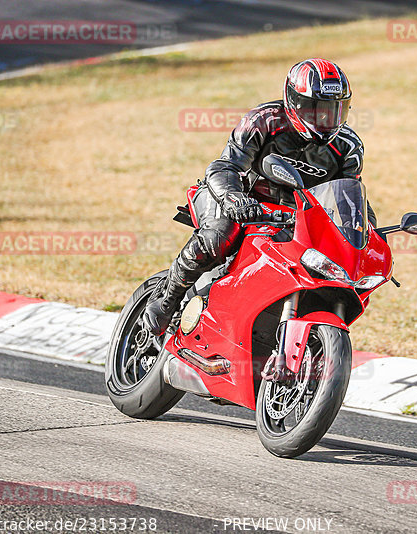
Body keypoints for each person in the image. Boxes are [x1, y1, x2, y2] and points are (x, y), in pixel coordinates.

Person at [143, 58, 375, 335]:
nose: (325, 119)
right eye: (316, 109)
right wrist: (233, 199)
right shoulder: (264, 120)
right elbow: (224, 166)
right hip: (237, 200)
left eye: (334, 110)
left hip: (292, 218)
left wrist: (368, 234)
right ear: (294, 101)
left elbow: (350, 197)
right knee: (220, 233)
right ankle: (166, 301)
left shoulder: (348, 146)